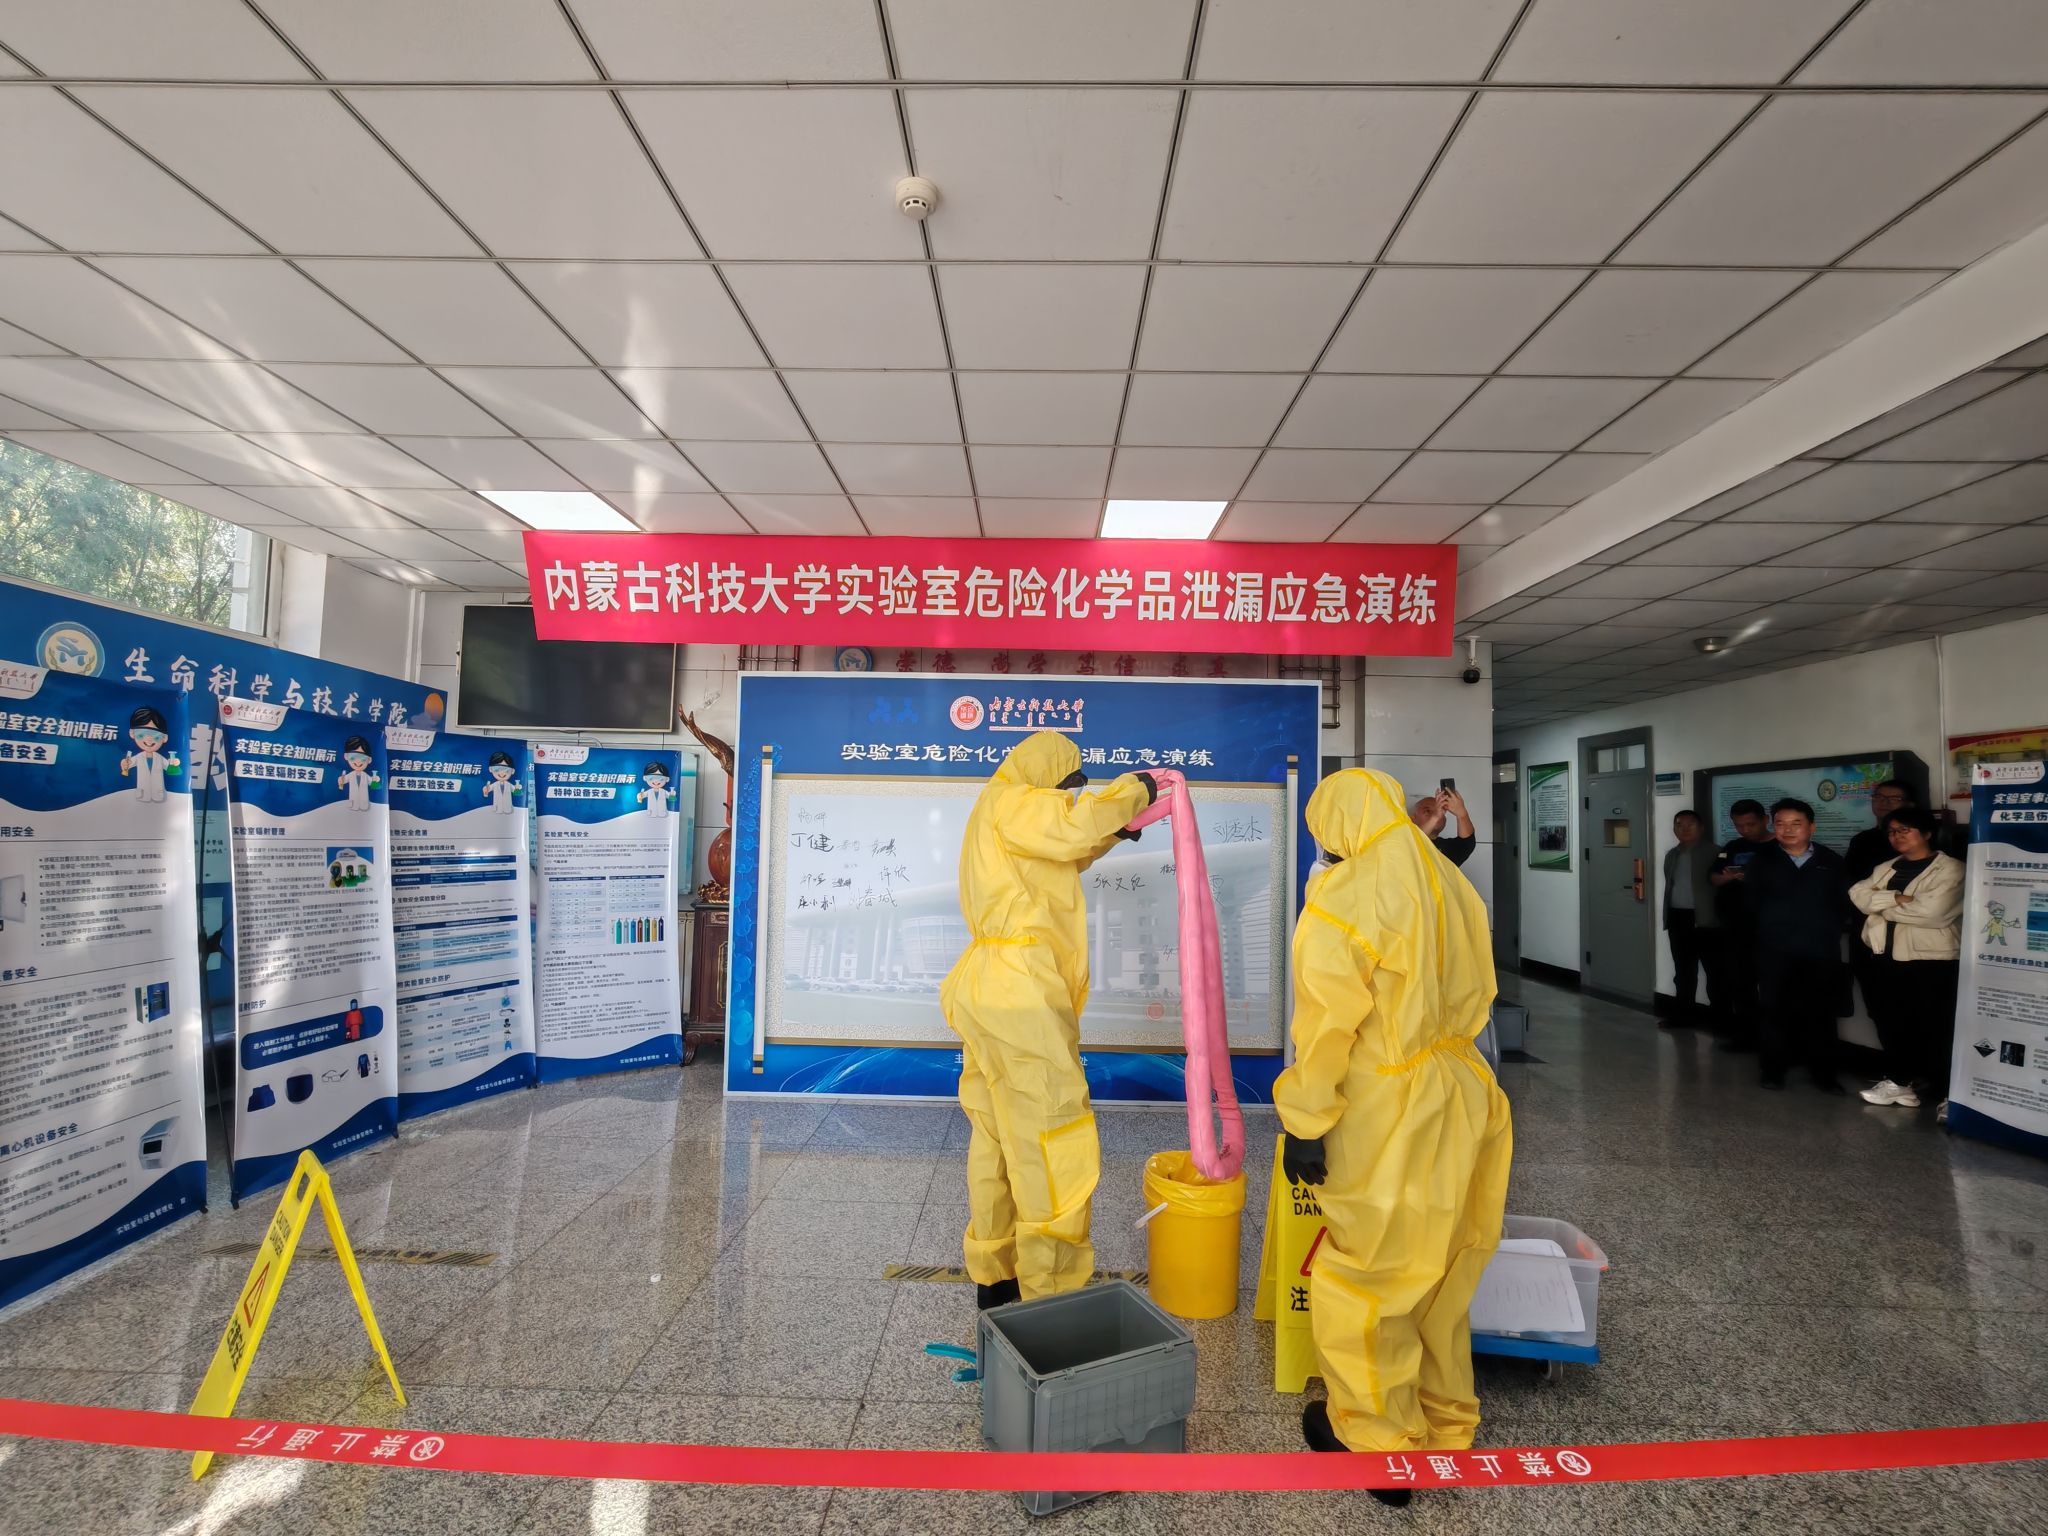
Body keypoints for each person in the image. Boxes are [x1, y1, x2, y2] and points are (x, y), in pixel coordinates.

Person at [1276, 770, 1511, 1505]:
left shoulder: (1346, 894)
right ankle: (1443, 1422)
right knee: (1442, 1265)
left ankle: (1373, 1440)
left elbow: (1326, 1025)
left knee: (1370, 1271)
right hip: (1463, 1088)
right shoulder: (1447, 879)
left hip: (1387, 1100)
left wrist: (1305, 1121)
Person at [939, 731, 1156, 1309]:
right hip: (1020, 993)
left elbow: (1065, 847)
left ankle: (995, 1272)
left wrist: (1115, 831)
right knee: (1053, 1133)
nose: (1071, 797)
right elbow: (1070, 826)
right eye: (1069, 787)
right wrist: (1137, 789)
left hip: (989, 983)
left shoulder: (999, 810)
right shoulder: (1017, 801)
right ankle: (1052, 1293)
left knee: (996, 1132)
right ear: (1047, 777)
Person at [1850, 807, 1963, 1110]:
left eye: (1904, 830)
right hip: (1885, 956)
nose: (1897, 836)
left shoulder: (1952, 869)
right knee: (1893, 1023)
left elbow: (1933, 912)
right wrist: (1897, 899)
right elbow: (1858, 894)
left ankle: (1948, 1094)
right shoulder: (1886, 867)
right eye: (1892, 831)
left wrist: (1880, 905)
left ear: (1926, 833)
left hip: (1931, 961)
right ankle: (1900, 1083)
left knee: (1936, 1026)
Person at [1743, 798, 1849, 1093]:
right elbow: (1750, 904)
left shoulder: (1830, 861)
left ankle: (1824, 1074)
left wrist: (1827, 929)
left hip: (1820, 950)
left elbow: (1844, 903)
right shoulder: (1762, 860)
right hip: (1775, 950)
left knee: (1822, 1013)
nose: (1787, 830)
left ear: (1811, 827)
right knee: (1774, 1010)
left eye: (1796, 823)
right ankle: (1773, 1070)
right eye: (1780, 824)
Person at [1707, 799, 1776, 1048]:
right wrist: (1728, 878)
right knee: (1740, 982)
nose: (1745, 830)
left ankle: (1774, 1040)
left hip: (1771, 929)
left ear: (1765, 820)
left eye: (1750, 824)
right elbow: (1713, 877)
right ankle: (1747, 1036)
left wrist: (1756, 880)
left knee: (1774, 985)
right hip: (1736, 928)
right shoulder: (1733, 846)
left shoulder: (1780, 846)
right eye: (1739, 825)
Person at [1662, 809, 1718, 1027]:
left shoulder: (1715, 852)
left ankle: (1720, 1020)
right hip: (1678, 918)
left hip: (1707, 921)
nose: (1684, 829)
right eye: (1679, 825)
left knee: (1715, 972)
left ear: (1701, 827)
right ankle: (1683, 1015)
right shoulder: (1672, 855)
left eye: (1690, 824)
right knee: (1683, 971)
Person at [1847, 782, 1915, 883]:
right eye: (1879, 797)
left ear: (1910, 805)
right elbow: (1849, 879)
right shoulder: (1861, 840)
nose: (1884, 802)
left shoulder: (1915, 839)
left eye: (1894, 799)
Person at [120, 705, 179, 803]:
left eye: (156, 736)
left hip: (159, 796)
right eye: (141, 734)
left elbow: (171, 769)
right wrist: (124, 764)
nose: (148, 739)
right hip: (142, 796)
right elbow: (127, 765)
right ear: (132, 733)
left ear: (164, 738)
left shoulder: (160, 758)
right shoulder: (138, 757)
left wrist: (175, 763)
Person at [1408, 783, 1477, 868]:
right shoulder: (1401, 841)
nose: (1438, 813)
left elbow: (1467, 843)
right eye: (1427, 811)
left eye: (1441, 810)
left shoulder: (1447, 848)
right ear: (1412, 819)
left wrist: (1462, 813)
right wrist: (1435, 817)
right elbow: (1412, 844)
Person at [337, 735, 377, 811]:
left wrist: (375, 780)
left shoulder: (365, 776)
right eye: (353, 758)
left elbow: (374, 786)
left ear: (369, 760)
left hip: (365, 806)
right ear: (346, 756)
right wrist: (341, 780)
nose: (358, 762)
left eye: (363, 759)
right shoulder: (350, 775)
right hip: (352, 805)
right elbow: (342, 782)